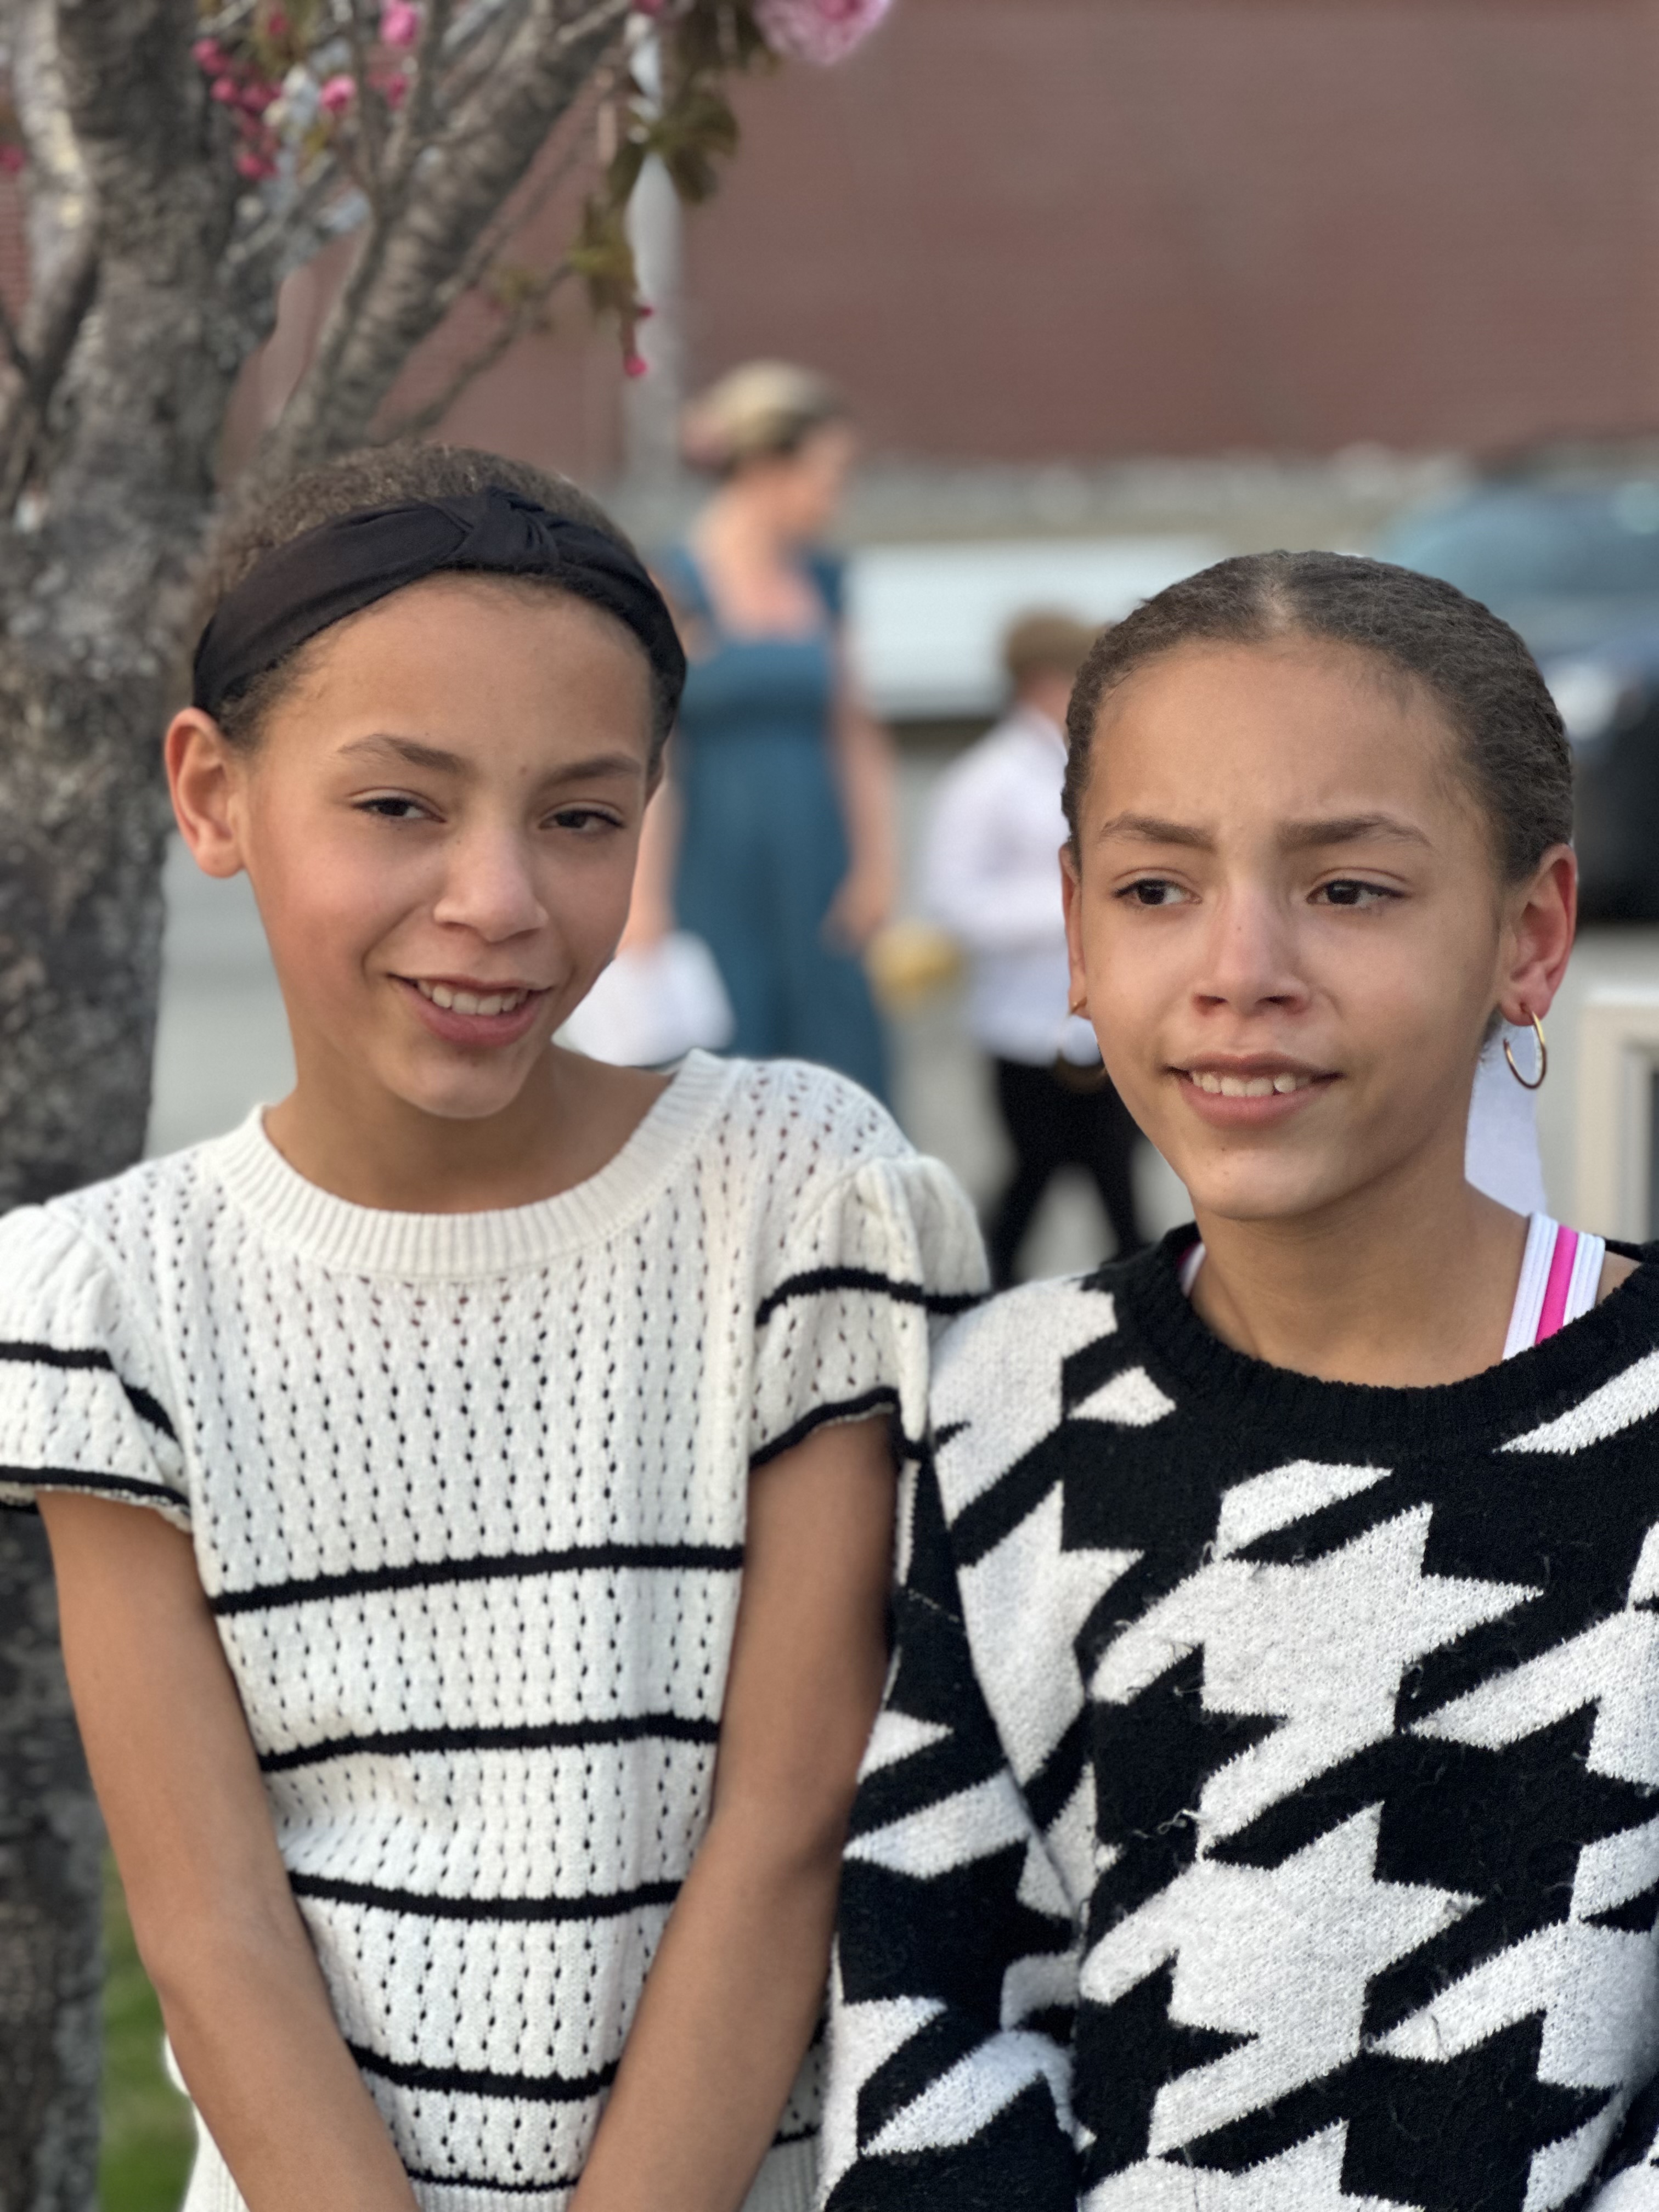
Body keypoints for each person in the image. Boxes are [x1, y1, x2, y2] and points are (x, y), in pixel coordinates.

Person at [0, 444, 985, 2212]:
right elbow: (211, 1924)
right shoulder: (106, 1301)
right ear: (213, 795)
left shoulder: (797, 1192)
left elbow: (784, 1828)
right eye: (400, 806)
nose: (499, 899)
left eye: (582, 818)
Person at [821, 552, 1659, 2211]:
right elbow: (929, 2000)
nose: (1239, 966)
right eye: (1156, 889)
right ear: (1072, 930)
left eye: (1347, 889)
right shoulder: (1006, 1404)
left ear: (1531, 933)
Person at [636, 362, 895, 1101]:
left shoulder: (826, 581)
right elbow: (654, 753)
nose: (836, 494)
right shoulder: (673, 581)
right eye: (827, 473)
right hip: (712, 867)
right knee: (726, 1067)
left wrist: (877, 867)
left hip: (819, 863)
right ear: (766, 468)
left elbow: (856, 733)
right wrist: (643, 902)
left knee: (839, 1063)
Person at [923, 611, 1146, 1283]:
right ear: (1045, 682)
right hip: (1025, 1024)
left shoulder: (1106, 766)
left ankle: (1138, 1294)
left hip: (1109, 1016)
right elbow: (953, 902)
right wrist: (1077, 905)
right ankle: (987, 1288)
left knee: (1117, 1171)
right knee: (1037, 1169)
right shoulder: (984, 781)